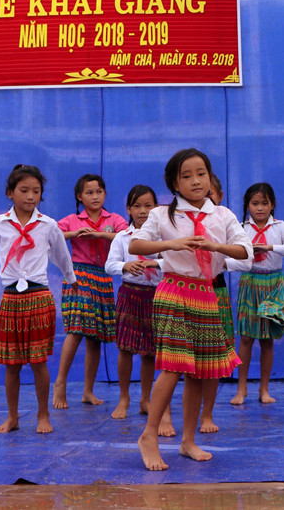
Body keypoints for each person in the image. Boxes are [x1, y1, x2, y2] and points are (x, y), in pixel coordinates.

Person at [129, 148, 251, 471]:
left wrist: (216, 247)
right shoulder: (161, 215)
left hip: (207, 295)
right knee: (172, 365)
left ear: (210, 178)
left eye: (201, 173)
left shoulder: (222, 215)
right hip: (173, 291)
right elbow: (135, 245)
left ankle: (187, 441)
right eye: (186, 175)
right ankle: (149, 435)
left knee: (200, 371)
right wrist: (170, 244)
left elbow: (245, 252)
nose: (196, 181)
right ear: (174, 183)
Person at [0, 164, 77, 434]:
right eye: (24, 190)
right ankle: (13, 417)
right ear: (10, 193)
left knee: (38, 361)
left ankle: (44, 414)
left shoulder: (48, 225)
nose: (30, 196)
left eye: (36, 191)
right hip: (11, 298)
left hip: (39, 296)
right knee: (12, 363)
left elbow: (61, 254)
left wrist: (70, 277)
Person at [105, 185, 174, 435]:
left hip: (157, 297)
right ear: (128, 209)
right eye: (137, 206)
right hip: (129, 295)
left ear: (157, 207)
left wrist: (154, 262)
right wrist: (125, 266)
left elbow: (173, 262)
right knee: (125, 348)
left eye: (148, 205)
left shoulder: (164, 238)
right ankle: (124, 398)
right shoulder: (123, 237)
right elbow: (109, 265)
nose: (143, 211)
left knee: (150, 352)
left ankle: (146, 399)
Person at [53, 174, 128, 408]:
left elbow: (127, 237)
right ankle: (60, 385)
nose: (95, 196)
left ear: (104, 194)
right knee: (76, 329)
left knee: (95, 338)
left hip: (102, 277)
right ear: (79, 196)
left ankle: (88, 391)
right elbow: (50, 235)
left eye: (99, 192)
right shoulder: (73, 220)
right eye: (89, 192)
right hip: (78, 275)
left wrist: (100, 234)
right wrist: (74, 234)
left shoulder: (113, 218)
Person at [229, 182, 284, 405]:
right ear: (247, 206)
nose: (260, 208)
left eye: (265, 203)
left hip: (272, 283)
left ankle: (264, 389)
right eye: (255, 203)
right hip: (250, 281)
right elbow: (233, 255)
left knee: (268, 339)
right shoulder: (241, 228)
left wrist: (270, 248)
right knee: (246, 337)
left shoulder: (280, 227)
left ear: (272, 205)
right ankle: (241, 389)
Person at [198, 173, 232, 433]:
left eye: (211, 193)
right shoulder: (178, 219)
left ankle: (207, 414)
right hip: (185, 291)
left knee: (214, 358)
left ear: (219, 196)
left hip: (216, 291)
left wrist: (221, 255)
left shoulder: (224, 219)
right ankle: (163, 415)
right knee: (174, 359)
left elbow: (244, 256)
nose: (205, 195)